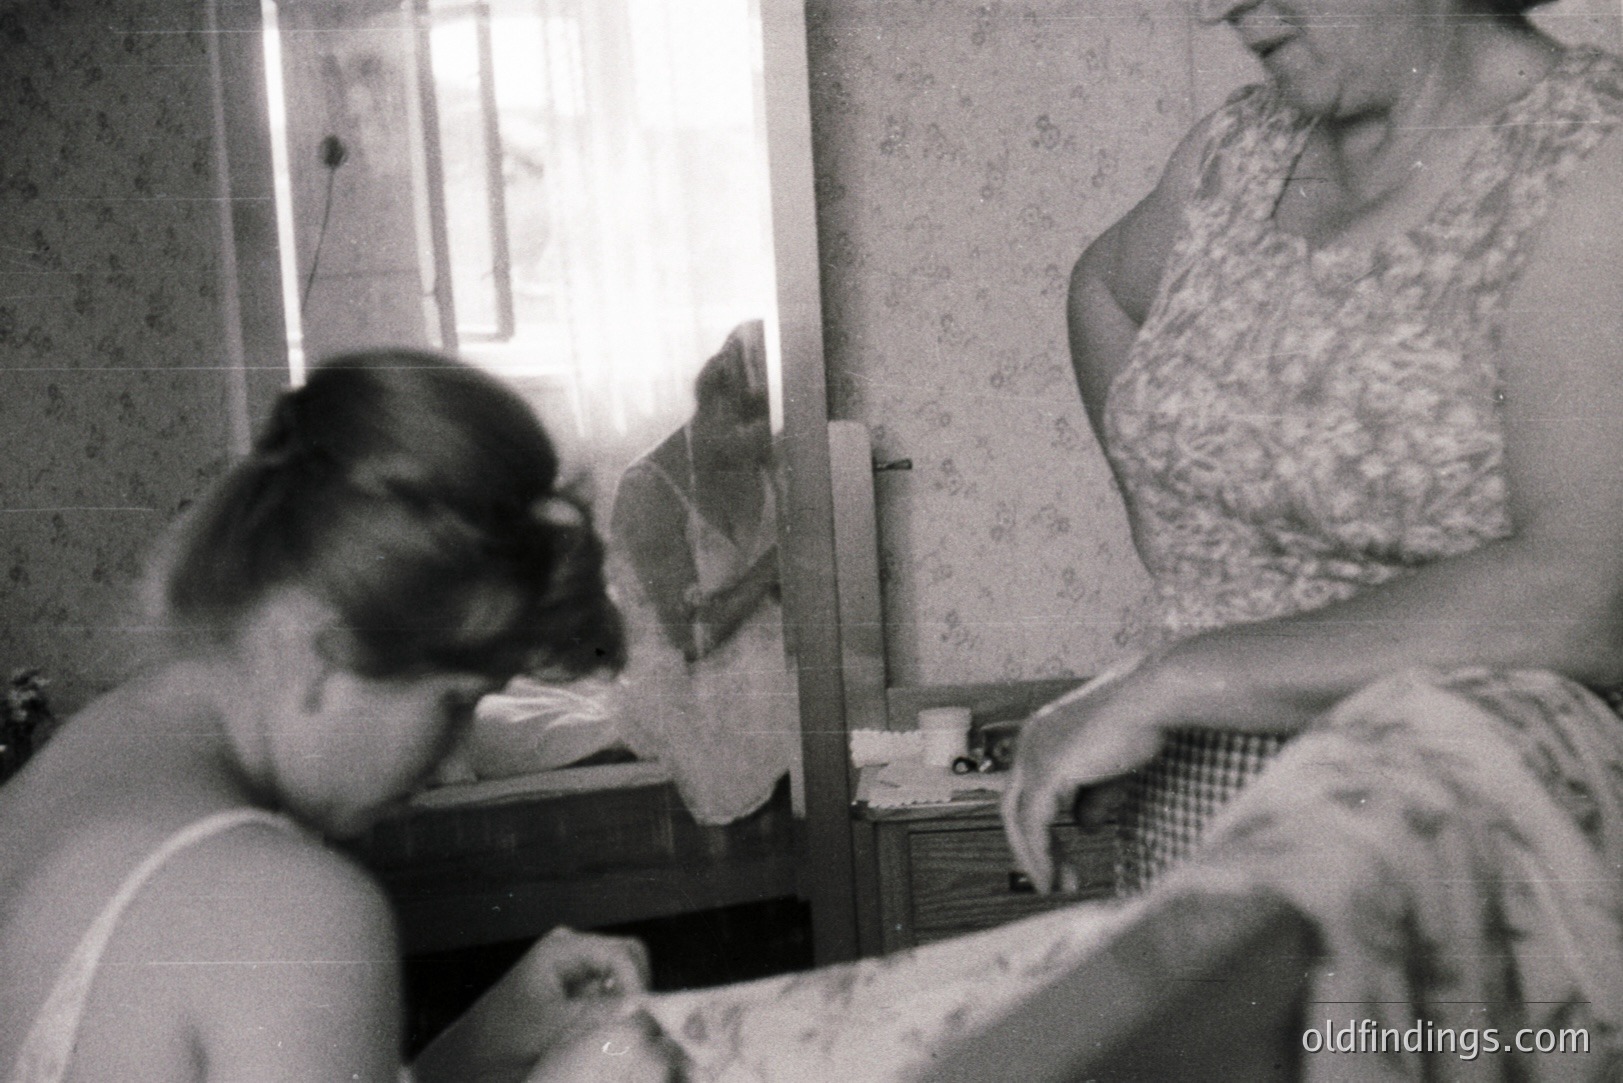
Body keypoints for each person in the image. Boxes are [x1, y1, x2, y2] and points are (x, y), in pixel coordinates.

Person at [0, 350, 683, 1082]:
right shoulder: (290, 905)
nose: (450, 753)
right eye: (455, 699)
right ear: (326, 646)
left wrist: (485, 1044)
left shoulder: (76, 761)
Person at [607, 320, 801, 825]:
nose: (774, 439)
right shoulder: (648, 489)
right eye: (762, 424)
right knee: (794, 699)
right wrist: (773, 567)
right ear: (718, 408)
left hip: (761, 644)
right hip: (683, 672)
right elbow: (691, 639)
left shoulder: (766, 460)